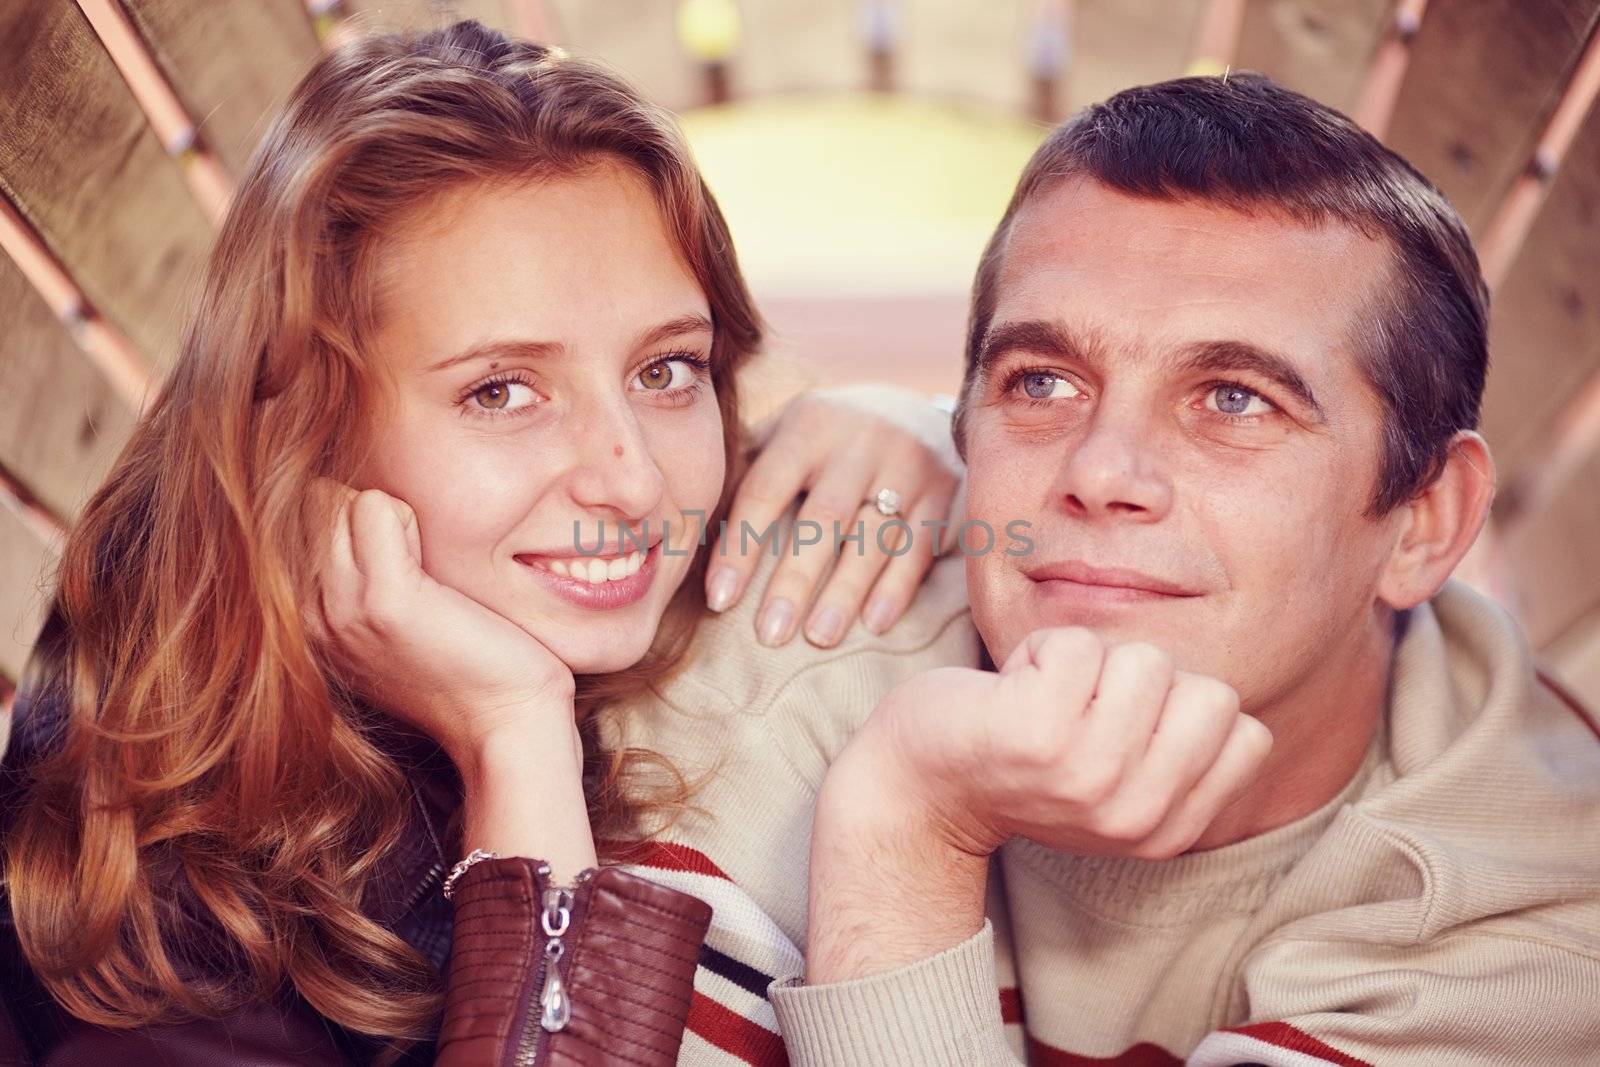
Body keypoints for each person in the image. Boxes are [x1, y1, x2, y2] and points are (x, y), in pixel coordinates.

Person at [0, 21, 970, 1066]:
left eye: (666, 370)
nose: (632, 478)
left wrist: (916, 427)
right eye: (501, 391)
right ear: (303, 428)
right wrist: (512, 735)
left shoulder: (601, 557)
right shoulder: (168, 862)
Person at [760, 73, 1600, 1066]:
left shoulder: (1531, 936)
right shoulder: (807, 624)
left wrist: (909, 828)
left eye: (1236, 400)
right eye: (1040, 380)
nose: (1100, 472)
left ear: (1422, 521)